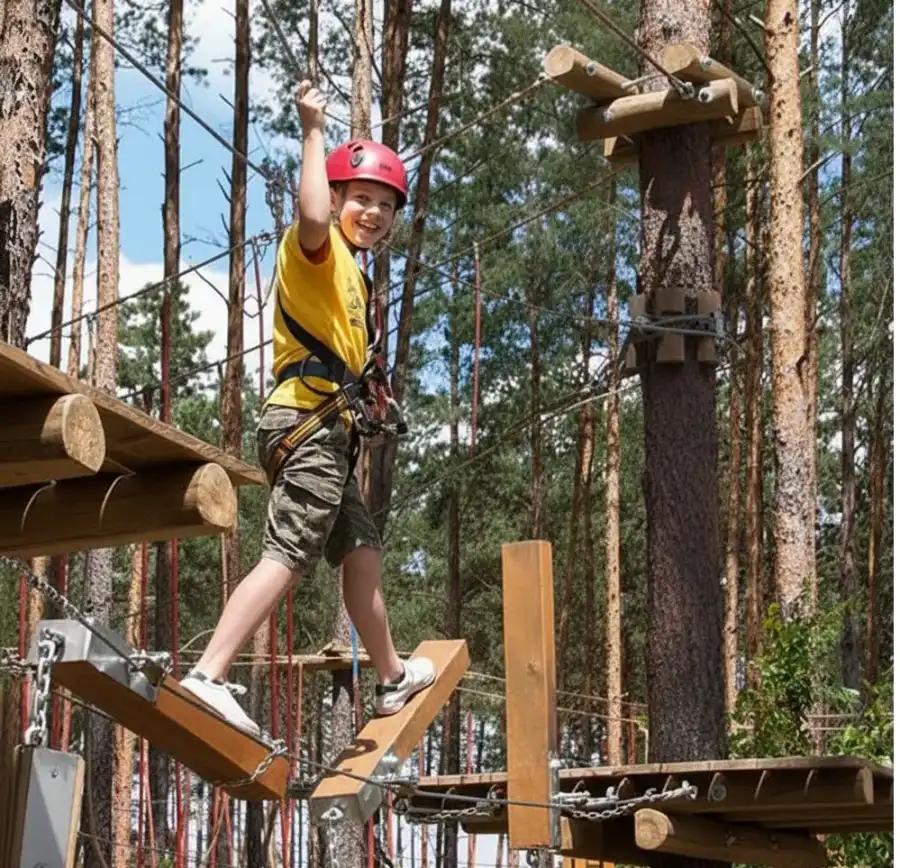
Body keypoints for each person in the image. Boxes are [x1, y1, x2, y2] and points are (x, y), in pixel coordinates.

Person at [179, 80, 435, 738]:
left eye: (385, 205)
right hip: (305, 425)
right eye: (362, 199)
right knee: (289, 550)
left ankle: (391, 678)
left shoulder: (354, 276)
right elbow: (314, 216)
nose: (373, 213)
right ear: (338, 197)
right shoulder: (314, 249)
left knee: (362, 548)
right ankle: (207, 673)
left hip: (327, 431)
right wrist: (314, 129)